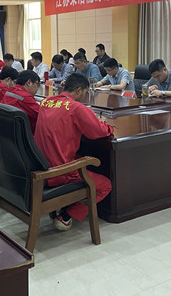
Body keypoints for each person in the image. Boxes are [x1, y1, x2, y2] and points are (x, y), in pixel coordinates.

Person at [34, 74, 113, 231]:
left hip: (40, 164)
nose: (85, 96)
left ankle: (66, 204)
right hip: (60, 172)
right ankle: (66, 216)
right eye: (85, 92)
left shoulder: (46, 102)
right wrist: (108, 127)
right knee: (105, 185)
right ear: (78, 90)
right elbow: (97, 131)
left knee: (80, 156)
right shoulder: (76, 108)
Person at [1, 70, 40, 134]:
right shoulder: (25, 97)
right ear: (29, 82)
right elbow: (42, 114)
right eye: (37, 84)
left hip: (6, 132)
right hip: (24, 135)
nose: (37, 89)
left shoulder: (10, 91)